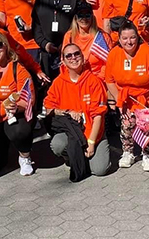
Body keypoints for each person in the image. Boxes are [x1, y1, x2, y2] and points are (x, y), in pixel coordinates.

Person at [104, 21, 149, 172]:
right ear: (119, 39)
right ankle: (128, 152)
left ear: (137, 37)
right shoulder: (114, 53)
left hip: (146, 96)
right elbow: (109, 80)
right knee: (127, 125)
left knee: (147, 127)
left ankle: (148, 155)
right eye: (124, 38)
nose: (129, 42)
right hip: (126, 97)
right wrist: (119, 99)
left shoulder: (147, 51)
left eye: (132, 37)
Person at [45, 43, 110, 178]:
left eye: (77, 54)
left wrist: (91, 143)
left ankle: (88, 154)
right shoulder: (58, 83)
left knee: (100, 170)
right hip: (72, 133)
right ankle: (73, 158)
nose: (73, 58)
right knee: (57, 145)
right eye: (68, 55)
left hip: (93, 133)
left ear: (83, 57)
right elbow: (48, 108)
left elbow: (98, 116)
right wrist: (67, 111)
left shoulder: (94, 82)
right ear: (63, 60)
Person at [0, 30, 35, 176]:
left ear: (6, 46)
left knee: (20, 131)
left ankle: (24, 157)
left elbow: (28, 100)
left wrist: (17, 107)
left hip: (9, 118)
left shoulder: (18, 69)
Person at [31, 0, 87, 80]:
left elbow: (83, 24)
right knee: (50, 86)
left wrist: (67, 44)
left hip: (70, 52)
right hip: (47, 52)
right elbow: (36, 27)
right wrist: (45, 44)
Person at [63, 3, 112, 80]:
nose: (84, 19)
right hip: (76, 78)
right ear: (75, 18)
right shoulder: (69, 36)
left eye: (87, 15)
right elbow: (64, 61)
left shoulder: (102, 36)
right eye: (80, 16)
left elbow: (108, 62)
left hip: (98, 79)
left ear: (92, 17)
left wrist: (98, 80)